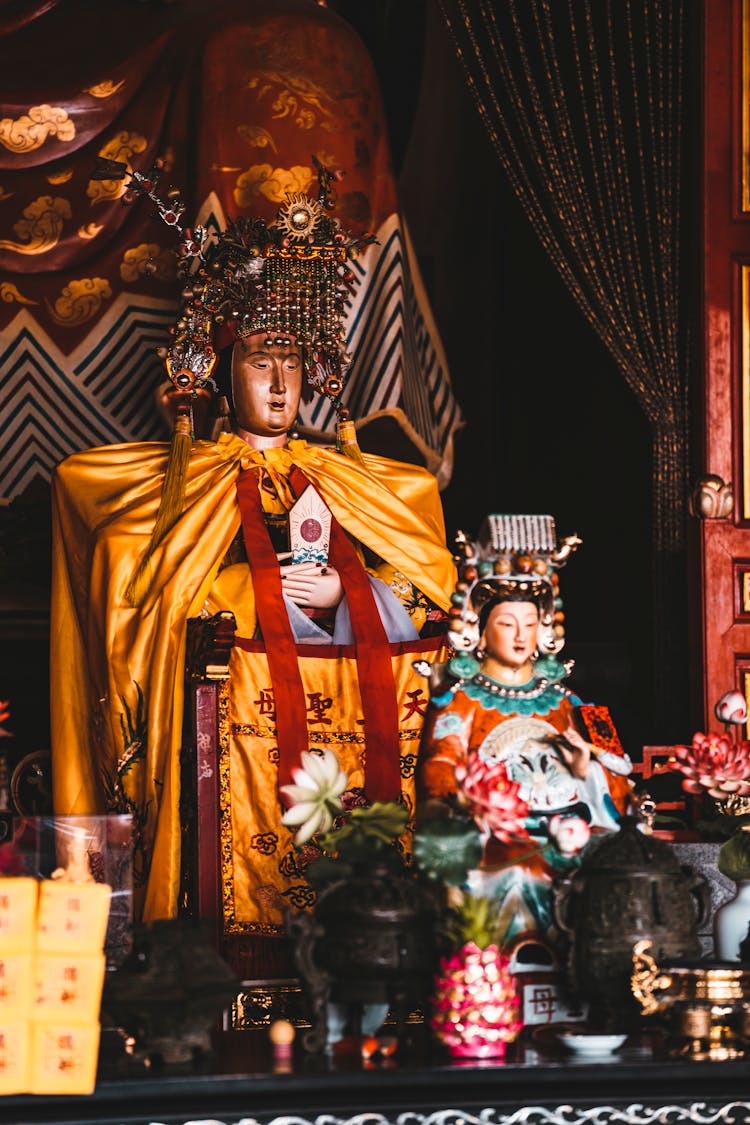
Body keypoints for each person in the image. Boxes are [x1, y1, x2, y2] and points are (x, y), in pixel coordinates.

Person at [49, 166, 455, 971]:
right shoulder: (177, 483)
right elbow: (142, 595)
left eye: (294, 365)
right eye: (260, 362)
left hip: (352, 718)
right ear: (221, 371)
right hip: (225, 731)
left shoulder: (373, 484)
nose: (278, 382)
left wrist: (351, 593)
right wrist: (243, 594)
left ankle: (382, 946)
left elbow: (435, 594)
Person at [417, 519, 633, 951]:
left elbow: (619, 775)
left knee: (620, 869)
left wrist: (585, 769)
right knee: (510, 870)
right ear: (480, 629)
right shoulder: (459, 702)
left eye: (530, 623)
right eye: (507, 624)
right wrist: (468, 800)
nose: (520, 636)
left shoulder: (569, 702)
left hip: (571, 825)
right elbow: (440, 765)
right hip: (496, 836)